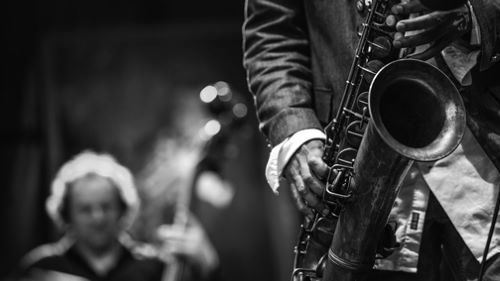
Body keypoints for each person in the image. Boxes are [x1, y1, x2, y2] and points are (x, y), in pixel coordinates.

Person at [243, 0, 500, 280]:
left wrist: (475, 18)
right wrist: (295, 130)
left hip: (483, 160)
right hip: (355, 159)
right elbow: (272, 33)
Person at [14, 151, 219, 281]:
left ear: (122, 208)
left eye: (106, 206)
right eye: (85, 209)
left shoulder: (156, 267)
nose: (98, 217)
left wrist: (209, 266)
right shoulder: (40, 269)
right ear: (66, 214)